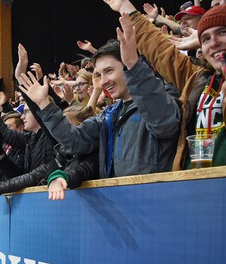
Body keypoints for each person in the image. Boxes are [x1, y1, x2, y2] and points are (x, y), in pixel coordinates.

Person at [103, 1, 226, 168]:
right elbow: (162, 51)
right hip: (196, 182)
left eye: (223, 32)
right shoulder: (198, 78)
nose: (213, 43)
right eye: (205, 39)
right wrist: (126, 7)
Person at [19, 23, 181, 178]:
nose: (103, 81)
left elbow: (163, 126)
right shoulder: (109, 114)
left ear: (128, 65)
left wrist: (135, 66)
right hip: (118, 202)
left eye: (109, 71)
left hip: (155, 200)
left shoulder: (163, 98)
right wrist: (44, 104)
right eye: (99, 74)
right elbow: (74, 141)